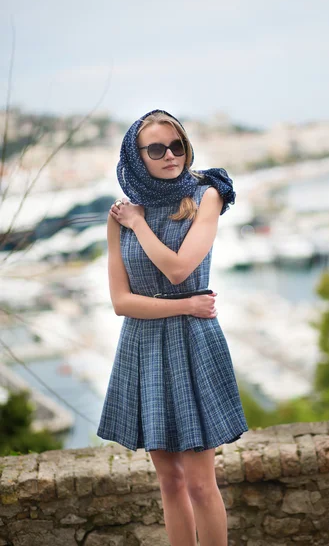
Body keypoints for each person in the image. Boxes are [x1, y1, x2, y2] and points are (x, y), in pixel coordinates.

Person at [97, 108, 248, 546]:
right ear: (136, 155)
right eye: (157, 148)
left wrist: (140, 224)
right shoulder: (119, 215)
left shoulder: (205, 196)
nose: (170, 156)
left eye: (177, 146)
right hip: (143, 345)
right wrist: (184, 307)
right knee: (170, 482)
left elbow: (180, 270)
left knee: (201, 483)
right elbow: (122, 303)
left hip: (193, 345)